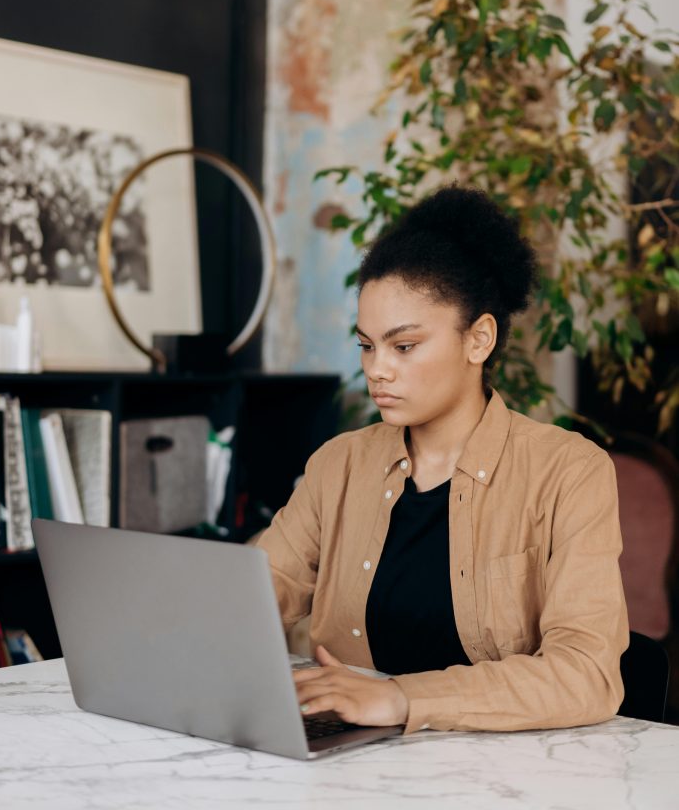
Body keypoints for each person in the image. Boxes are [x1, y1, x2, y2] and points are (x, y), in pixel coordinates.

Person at [256, 183, 629, 734]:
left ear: (478, 340)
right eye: (366, 345)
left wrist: (403, 699)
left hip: (500, 775)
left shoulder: (568, 471)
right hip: (350, 761)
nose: (377, 369)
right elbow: (256, 596)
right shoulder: (339, 465)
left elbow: (587, 675)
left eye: (403, 346)